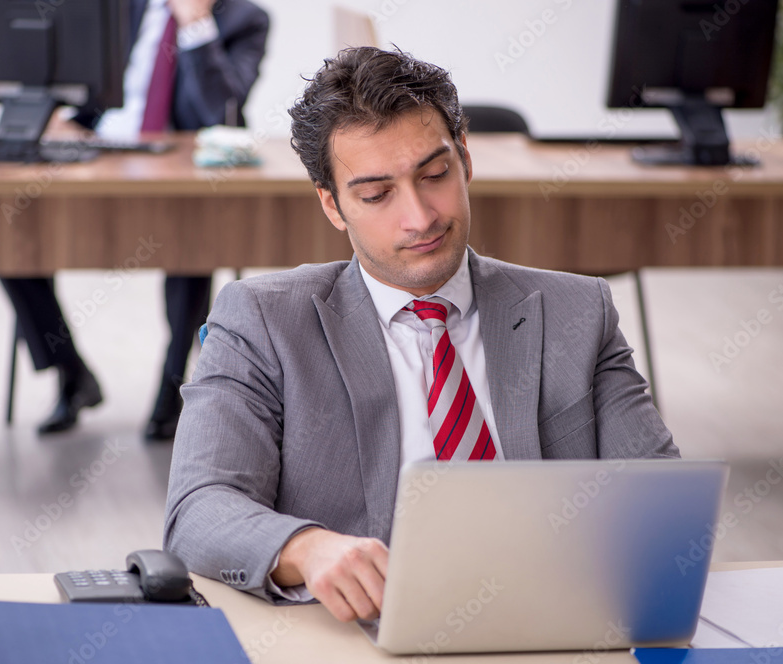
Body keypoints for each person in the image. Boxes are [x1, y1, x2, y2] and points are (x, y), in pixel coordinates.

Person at [163, 47, 680, 623]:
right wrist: (304, 548)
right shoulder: (261, 321)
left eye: (434, 175)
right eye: (377, 195)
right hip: (357, 638)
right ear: (334, 206)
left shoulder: (577, 310)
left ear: (464, 158)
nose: (419, 217)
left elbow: (664, 503)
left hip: (549, 624)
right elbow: (199, 509)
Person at [0, 0, 269, 438]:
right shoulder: (121, 8)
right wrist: (57, 116)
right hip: (100, 152)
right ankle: (71, 372)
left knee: (192, 240)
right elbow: (80, 81)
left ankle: (172, 386)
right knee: (9, 236)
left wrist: (196, 25)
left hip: (174, 168)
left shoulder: (246, 19)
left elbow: (223, 114)